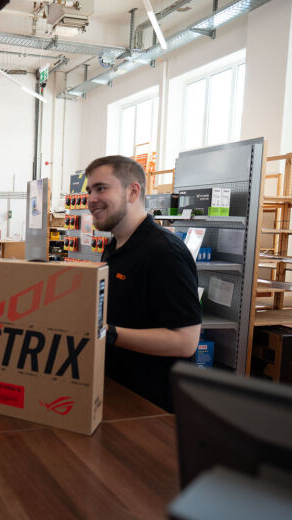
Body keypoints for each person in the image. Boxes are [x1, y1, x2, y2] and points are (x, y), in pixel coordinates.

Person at [85, 155, 201, 411]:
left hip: (155, 410)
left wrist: (107, 332)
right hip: (120, 394)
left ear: (133, 191)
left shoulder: (164, 252)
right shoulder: (114, 246)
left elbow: (186, 341)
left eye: (101, 188)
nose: (91, 199)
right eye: (89, 191)